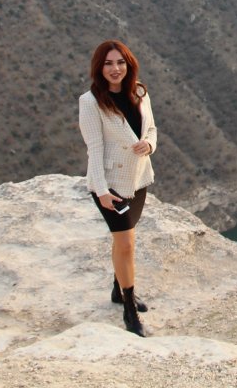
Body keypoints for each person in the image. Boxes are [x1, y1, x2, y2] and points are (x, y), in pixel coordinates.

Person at [78, 39, 158, 337]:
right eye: (108, 63)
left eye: (120, 62)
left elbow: (151, 128)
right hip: (110, 185)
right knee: (126, 244)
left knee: (124, 241)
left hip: (137, 180)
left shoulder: (140, 91)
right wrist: (101, 190)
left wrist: (149, 144)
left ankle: (117, 288)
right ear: (99, 68)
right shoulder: (90, 102)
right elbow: (94, 149)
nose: (115, 69)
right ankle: (128, 309)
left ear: (129, 64)